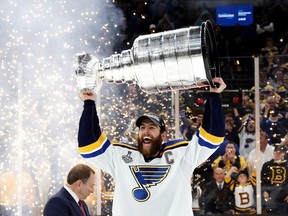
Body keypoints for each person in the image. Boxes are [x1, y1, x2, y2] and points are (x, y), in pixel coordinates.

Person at [77, 77, 227, 216]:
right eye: (142, 128)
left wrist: (214, 96)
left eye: (151, 128)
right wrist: (89, 103)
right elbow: (88, 146)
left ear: (162, 135)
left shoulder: (180, 155)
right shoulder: (122, 156)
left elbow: (213, 136)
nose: (145, 131)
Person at [261, 144, 288, 214]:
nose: (278, 153)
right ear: (273, 152)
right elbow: (262, 180)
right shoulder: (266, 165)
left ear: (284, 153)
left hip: (284, 199)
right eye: (276, 151)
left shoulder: (287, 165)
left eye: (280, 152)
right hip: (271, 198)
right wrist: (264, 191)